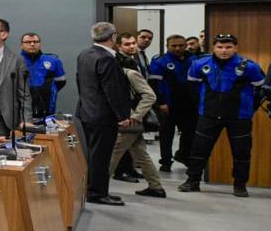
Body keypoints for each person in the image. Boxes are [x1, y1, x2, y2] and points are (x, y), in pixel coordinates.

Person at [178, 33, 267, 197]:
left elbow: (262, 89)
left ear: (235, 48)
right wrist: (203, 104)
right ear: (214, 47)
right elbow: (191, 88)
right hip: (208, 115)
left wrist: (250, 108)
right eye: (220, 47)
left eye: (228, 47)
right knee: (199, 150)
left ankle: (240, 185)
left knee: (241, 152)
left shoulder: (249, 66)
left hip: (239, 117)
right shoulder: (199, 64)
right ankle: (192, 181)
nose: (224, 50)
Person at [74, 21, 132, 206]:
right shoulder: (107, 58)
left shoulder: (85, 54)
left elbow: (80, 83)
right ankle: (97, 193)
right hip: (102, 116)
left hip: (86, 112)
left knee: (94, 154)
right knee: (101, 156)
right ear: (114, 37)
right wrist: (123, 115)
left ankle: (96, 189)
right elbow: (112, 90)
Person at [110, 33, 165, 198]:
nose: (132, 46)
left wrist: (136, 117)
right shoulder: (129, 66)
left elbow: (150, 96)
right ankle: (156, 187)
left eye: (134, 43)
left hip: (130, 119)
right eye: (127, 44)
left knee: (114, 152)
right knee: (141, 152)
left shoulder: (131, 71)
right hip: (131, 118)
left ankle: (96, 187)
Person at [148, 33, 196, 172]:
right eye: (173, 46)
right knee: (166, 135)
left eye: (181, 45)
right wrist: (161, 102)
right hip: (167, 105)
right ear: (167, 46)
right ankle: (166, 162)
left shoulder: (193, 59)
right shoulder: (160, 61)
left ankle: (183, 155)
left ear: (186, 45)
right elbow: (154, 84)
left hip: (189, 104)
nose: (177, 48)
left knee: (189, 133)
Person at [18, 32, 67, 119]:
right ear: (21, 45)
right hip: (22, 110)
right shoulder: (16, 61)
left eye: (35, 42)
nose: (32, 44)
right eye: (28, 42)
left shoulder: (53, 61)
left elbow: (61, 82)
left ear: (40, 44)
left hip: (47, 109)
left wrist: (48, 91)